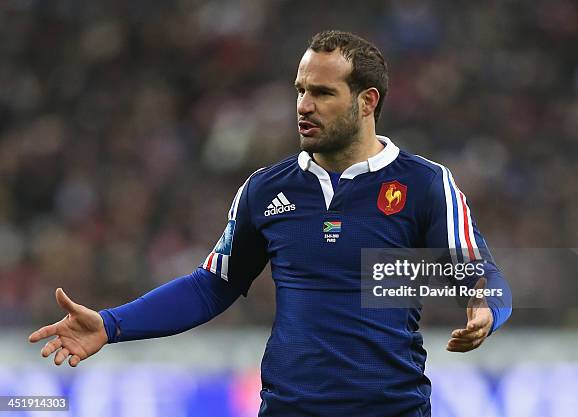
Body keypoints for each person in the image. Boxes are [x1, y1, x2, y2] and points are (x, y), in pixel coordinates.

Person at [29, 30, 512, 417]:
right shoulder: (266, 189)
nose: (304, 105)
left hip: (391, 408)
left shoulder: (425, 184)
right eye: (300, 90)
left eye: (322, 93)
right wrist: (111, 325)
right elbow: (211, 287)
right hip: (289, 408)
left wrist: (485, 312)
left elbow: (479, 275)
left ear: (367, 101)